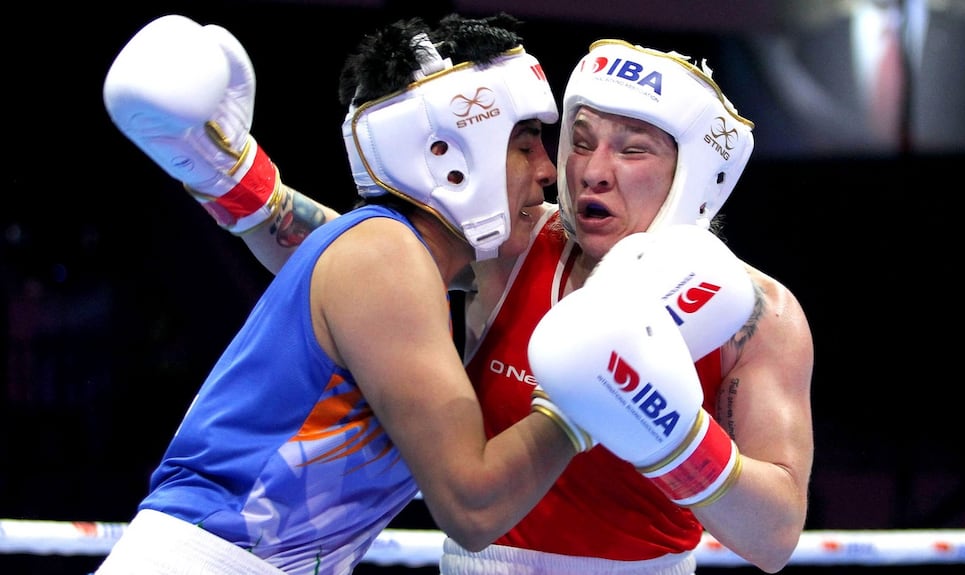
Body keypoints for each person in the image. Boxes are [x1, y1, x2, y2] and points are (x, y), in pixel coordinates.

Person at [134, 20, 815, 575]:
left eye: (632, 150)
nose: (589, 172)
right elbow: (365, 282)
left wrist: (669, 430)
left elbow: (776, 534)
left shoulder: (755, 316)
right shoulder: (516, 246)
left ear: (694, 173)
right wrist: (239, 184)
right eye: (578, 141)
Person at [95, 13, 588, 574]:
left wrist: (235, 181)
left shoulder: (385, 256)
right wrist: (588, 396)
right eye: (524, 146)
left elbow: (309, 244)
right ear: (449, 154)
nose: (549, 171)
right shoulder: (385, 258)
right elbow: (472, 507)